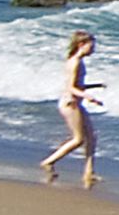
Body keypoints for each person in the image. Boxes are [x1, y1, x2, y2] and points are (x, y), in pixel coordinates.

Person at [40, 29, 101, 183]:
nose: (93, 49)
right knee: (78, 139)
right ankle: (49, 161)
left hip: (75, 103)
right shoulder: (74, 62)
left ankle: (89, 172)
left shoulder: (78, 62)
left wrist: (94, 86)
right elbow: (71, 87)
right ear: (81, 44)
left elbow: (78, 85)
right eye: (91, 46)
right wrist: (88, 96)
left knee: (92, 137)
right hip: (70, 104)